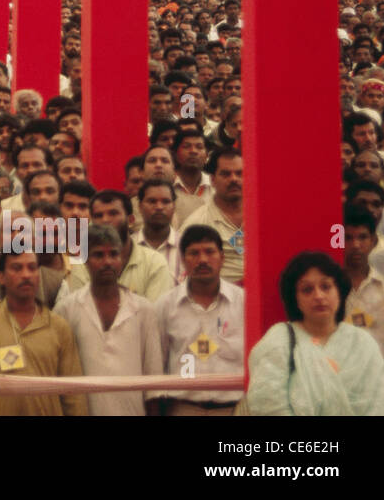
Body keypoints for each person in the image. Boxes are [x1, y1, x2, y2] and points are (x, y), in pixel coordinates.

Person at [245, 250, 384, 415]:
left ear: (339, 292)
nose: (319, 296)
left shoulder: (363, 343)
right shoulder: (278, 341)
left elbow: (377, 405)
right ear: (295, 299)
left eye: (326, 287)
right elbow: (267, 405)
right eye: (307, 290)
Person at [54, 224, 162, 416]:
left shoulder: (144, 310)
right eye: (98, 255)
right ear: (85, 259)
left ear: (121, 259)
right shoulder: (67, 309)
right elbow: (59, 376)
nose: (107, 262)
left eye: (113, 254)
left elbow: (154, 380)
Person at [0, 248, 87, 416]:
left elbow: (74, 395)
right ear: (1, 277)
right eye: (17, 268)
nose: (26, 275)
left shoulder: (59, 327)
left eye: (32, 268)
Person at [152, 224, 245, 415]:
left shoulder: (243, 302)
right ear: (183, 260)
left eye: (209, 252)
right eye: (194, 253)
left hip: (233, 409)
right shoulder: (166, 305)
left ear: (222, 257)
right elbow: (157, 364)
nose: (202, 259)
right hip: (183, 408)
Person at [182, 148, 244, 284]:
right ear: (213, 180)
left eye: (240, 173)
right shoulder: (197, 223)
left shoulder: (263, 219)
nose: (234, 179)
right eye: (226, 174)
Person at [342, 203, 384, 367]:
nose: (355, 245)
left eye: (362, 237)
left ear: (373, 241)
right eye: (348, 238)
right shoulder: (329, 286)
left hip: (378, 378)